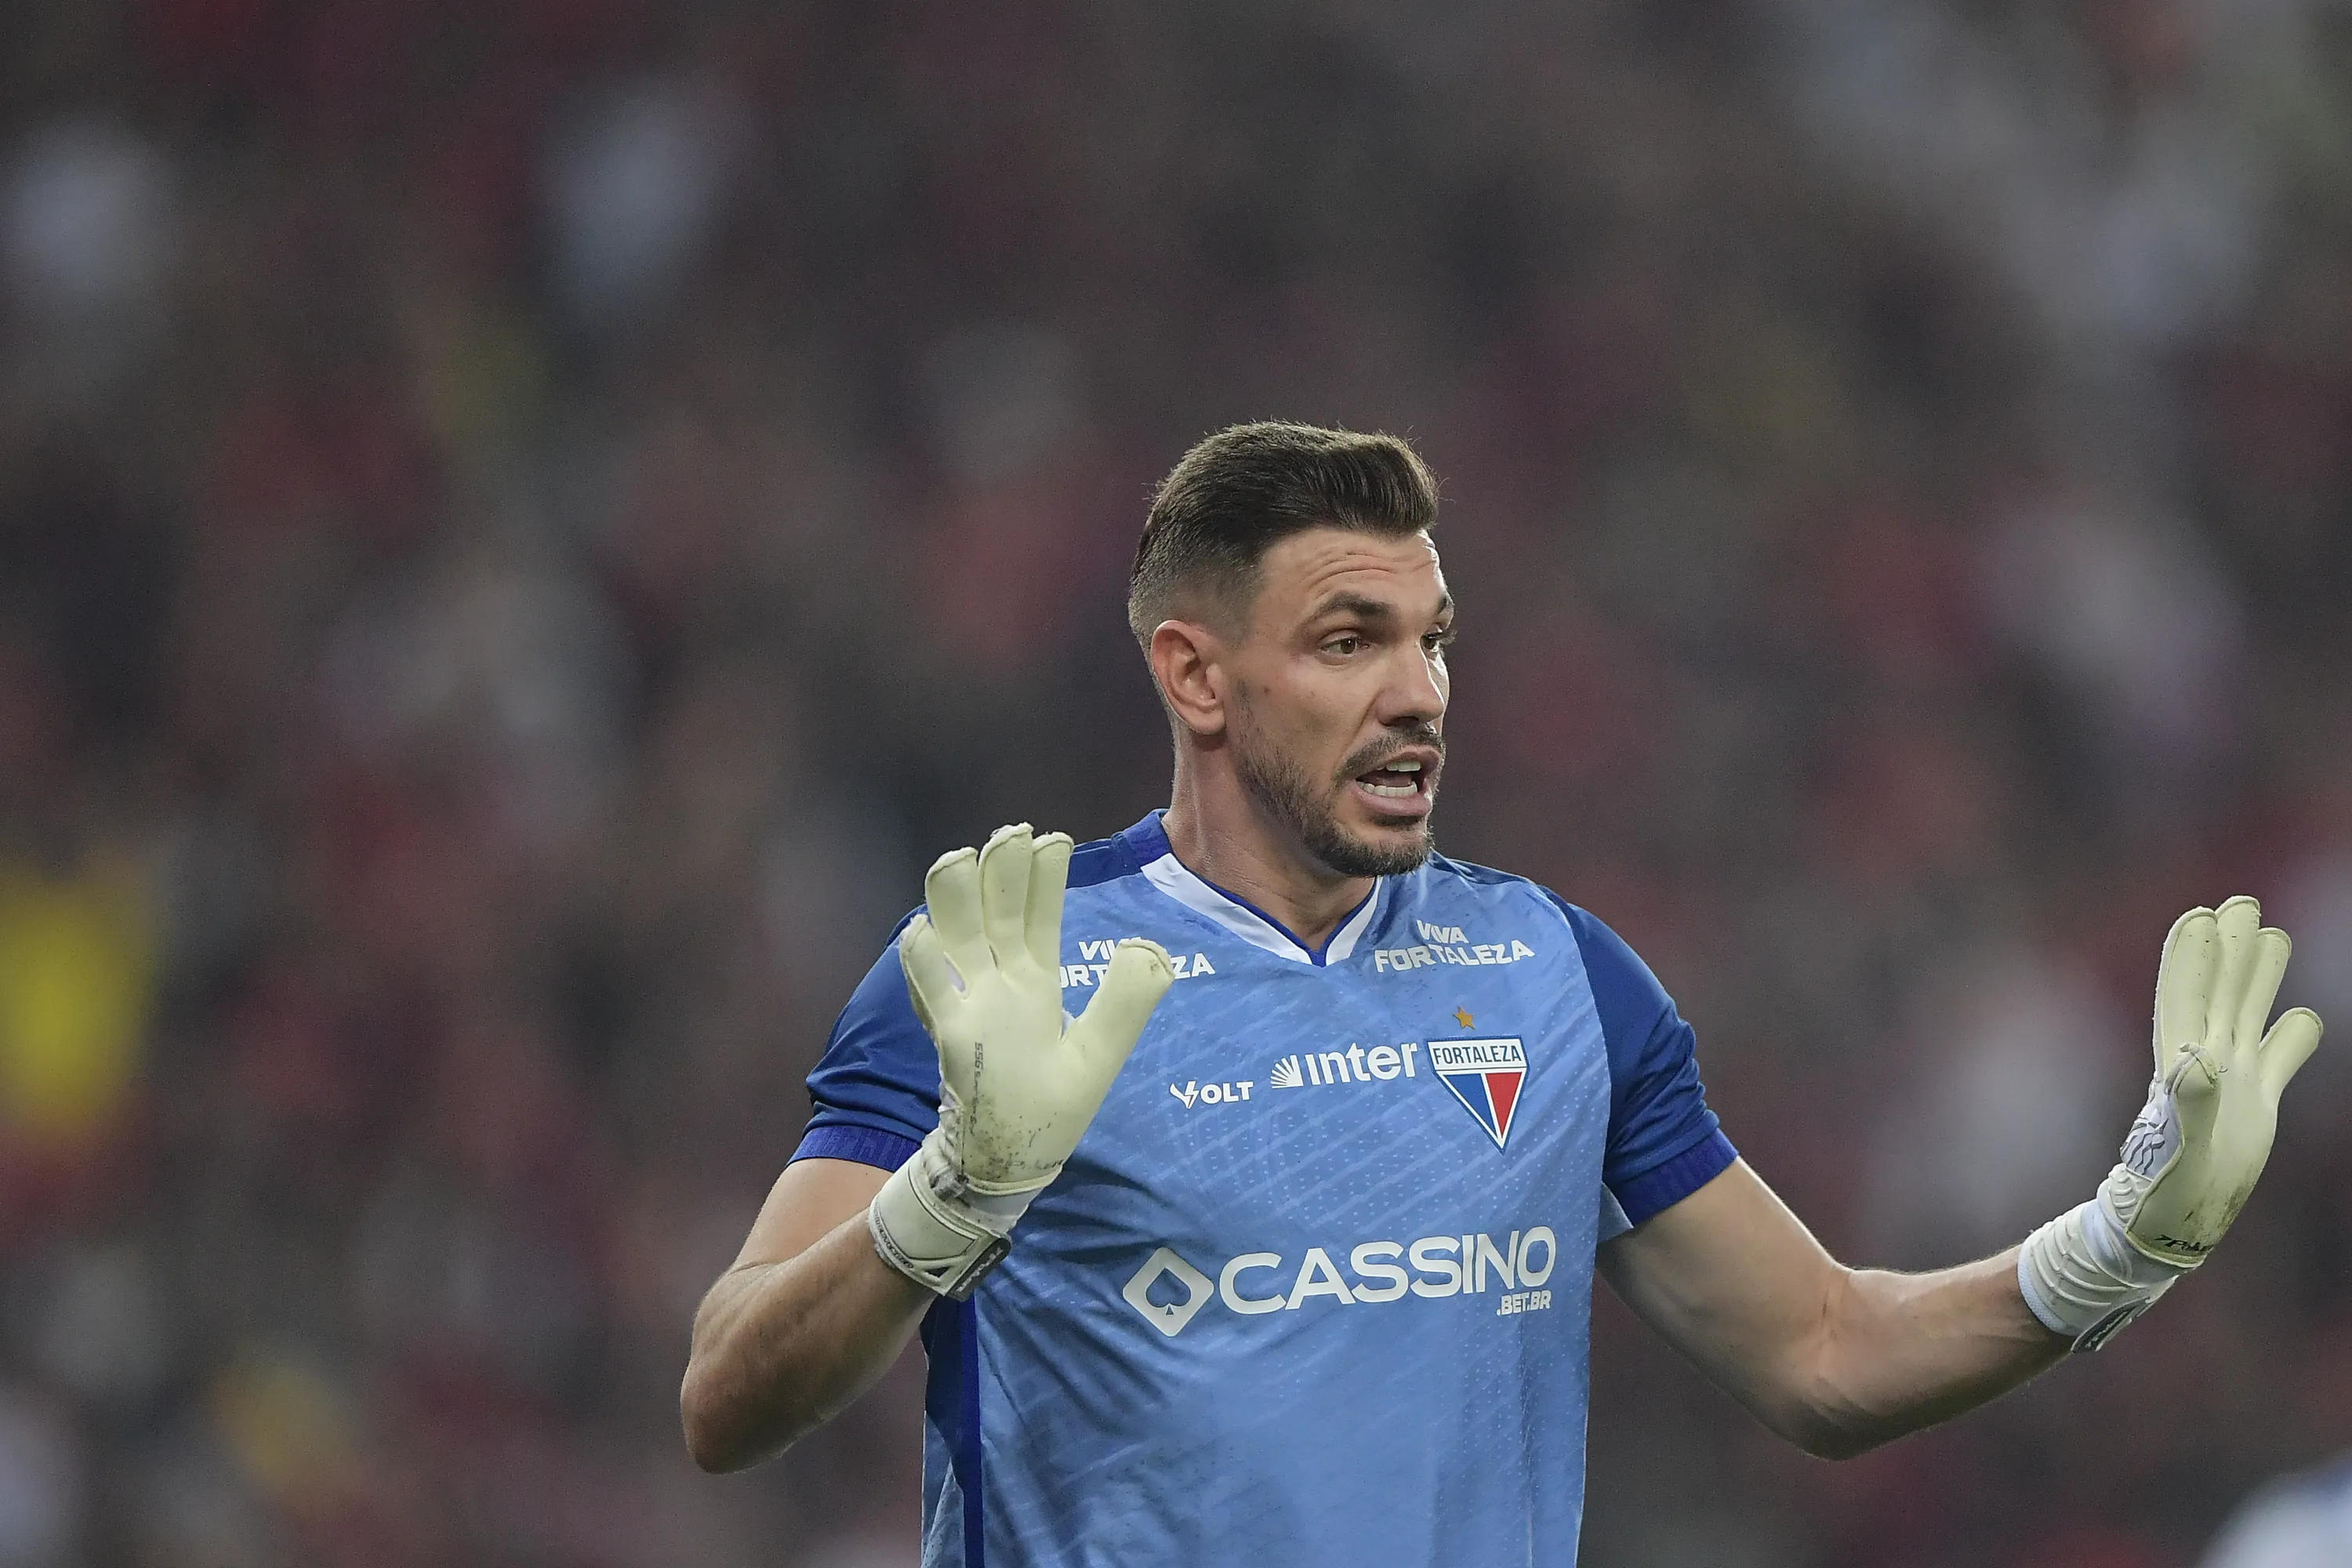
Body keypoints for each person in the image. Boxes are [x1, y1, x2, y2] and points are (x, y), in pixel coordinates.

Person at [679, 422, 2325, 1566]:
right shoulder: (1001, 978)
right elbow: (728, 1396)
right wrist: (951, 1194)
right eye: (1347, 639)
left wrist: (2123, 1240)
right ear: (1194, 673)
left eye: (1436, 639)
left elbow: (1823, 1351)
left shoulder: (1553, 973)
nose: (1416, 694)